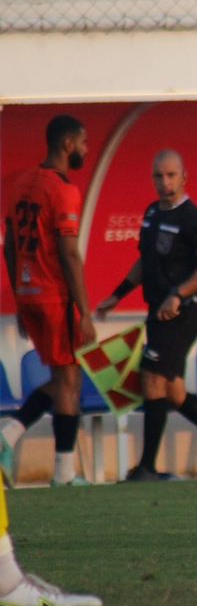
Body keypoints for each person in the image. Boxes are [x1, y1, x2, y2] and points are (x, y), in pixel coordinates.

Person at [94, 150, 197, 480]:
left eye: (170, 175)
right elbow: (146, 262)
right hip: (158, 312)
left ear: (184, 177)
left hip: (182, 313)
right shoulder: (152, 213)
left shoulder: (193, 219)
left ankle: (147, 467)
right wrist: (118, 294)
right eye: (158, 176)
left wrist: (179, 294)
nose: (164, 182)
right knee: (174, 393)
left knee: (152, 379)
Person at [1, 114, 97, 487]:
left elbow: (9, 246)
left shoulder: (21, 183)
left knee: (63, 379)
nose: (87, 150)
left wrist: (20, 302)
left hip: (29, 294)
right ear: (68, 145)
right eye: (84, 143)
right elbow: (69, 252)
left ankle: (9, 435)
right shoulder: (63, 190)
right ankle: (64, 473)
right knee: (70, 381)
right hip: (55, 297)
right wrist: (85, 312)